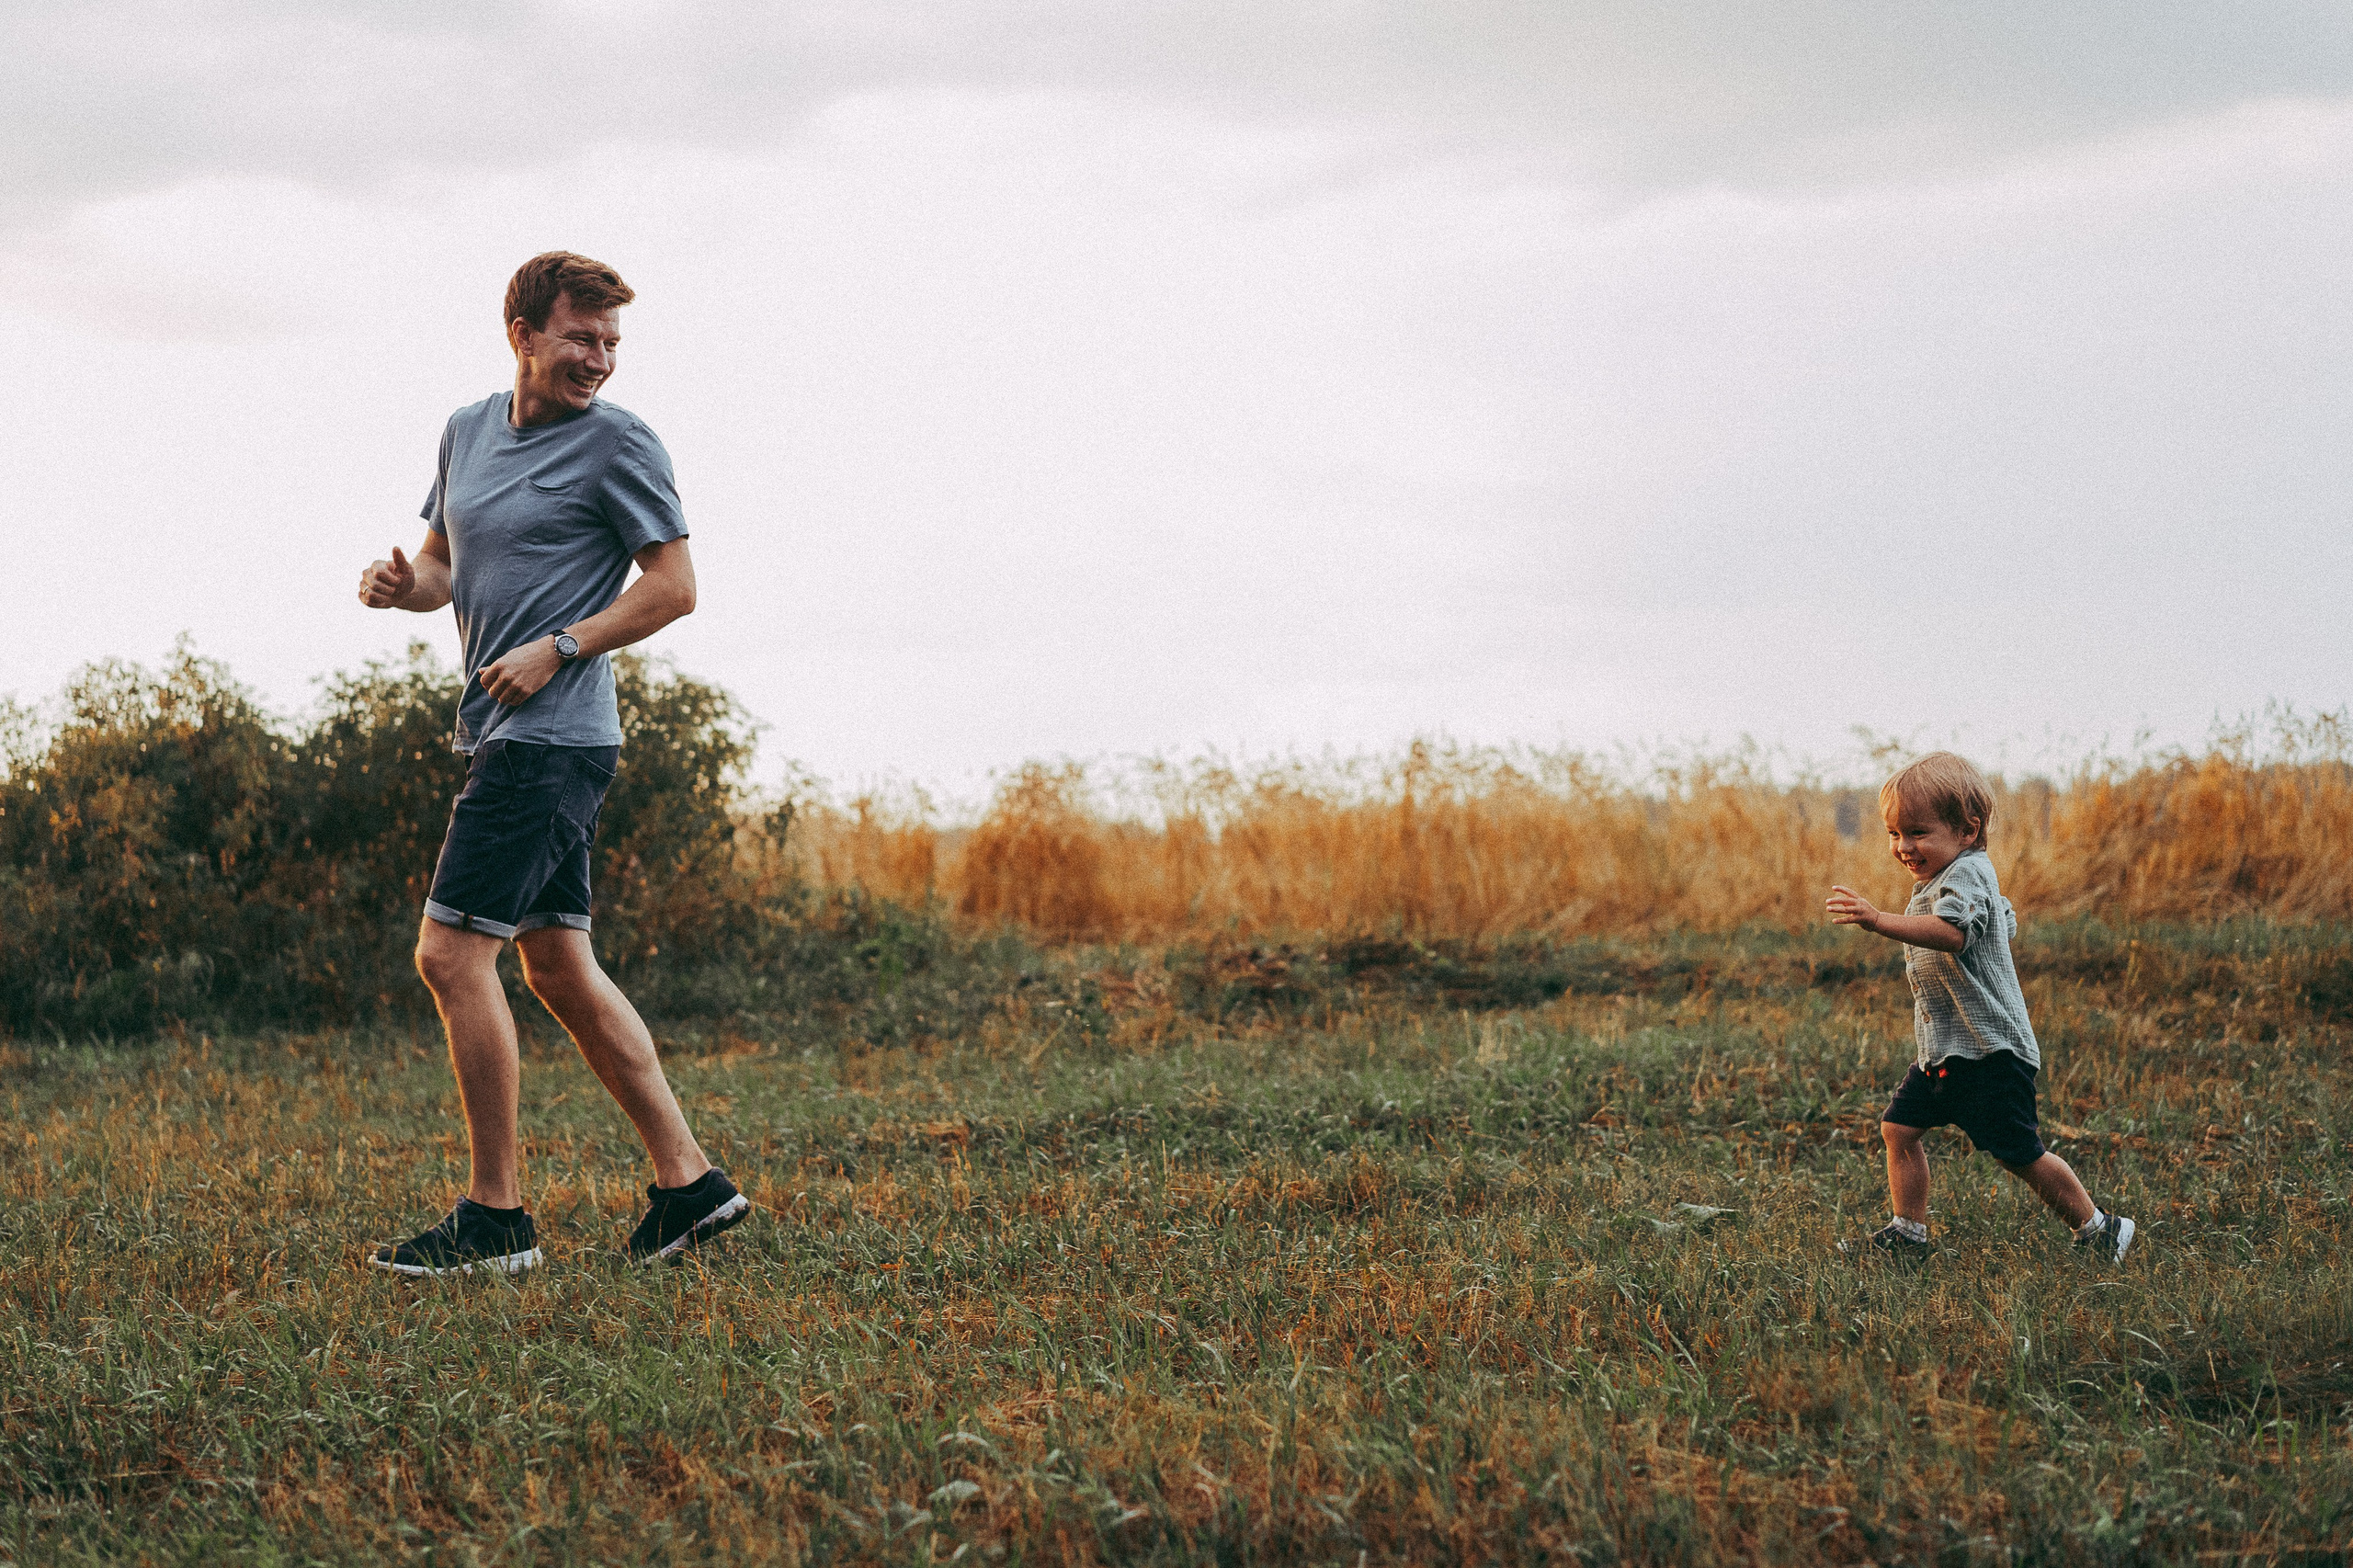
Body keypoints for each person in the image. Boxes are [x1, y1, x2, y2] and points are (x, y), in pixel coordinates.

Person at [356, 251, 748, 1275]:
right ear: (524, 333)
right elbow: (444, 565)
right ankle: (691, 1184)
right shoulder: (467, 429)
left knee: (450, 957)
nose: (600, 360)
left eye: (612, 343)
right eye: (583, 338)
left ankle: (495, 1220)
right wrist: (403, 585)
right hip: (504, 732)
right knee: (558, 966)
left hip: (555, 738)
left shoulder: (620, 444)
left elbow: (673, 587)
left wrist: (561, 645)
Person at [1826, 752, 2133, 1263]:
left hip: (1990, 1054)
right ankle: (1908, 1235)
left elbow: (1952, 932)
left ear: (1967, 831)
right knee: (1898, 1129)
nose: (1904, 847)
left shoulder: (1967, 875)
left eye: (1918, 832)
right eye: (1894, 834)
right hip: (1947, 1052)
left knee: (2020, 1154)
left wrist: (1878, 919)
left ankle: (2100, 1228)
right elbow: (2002, 921)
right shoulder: (1948, 876)